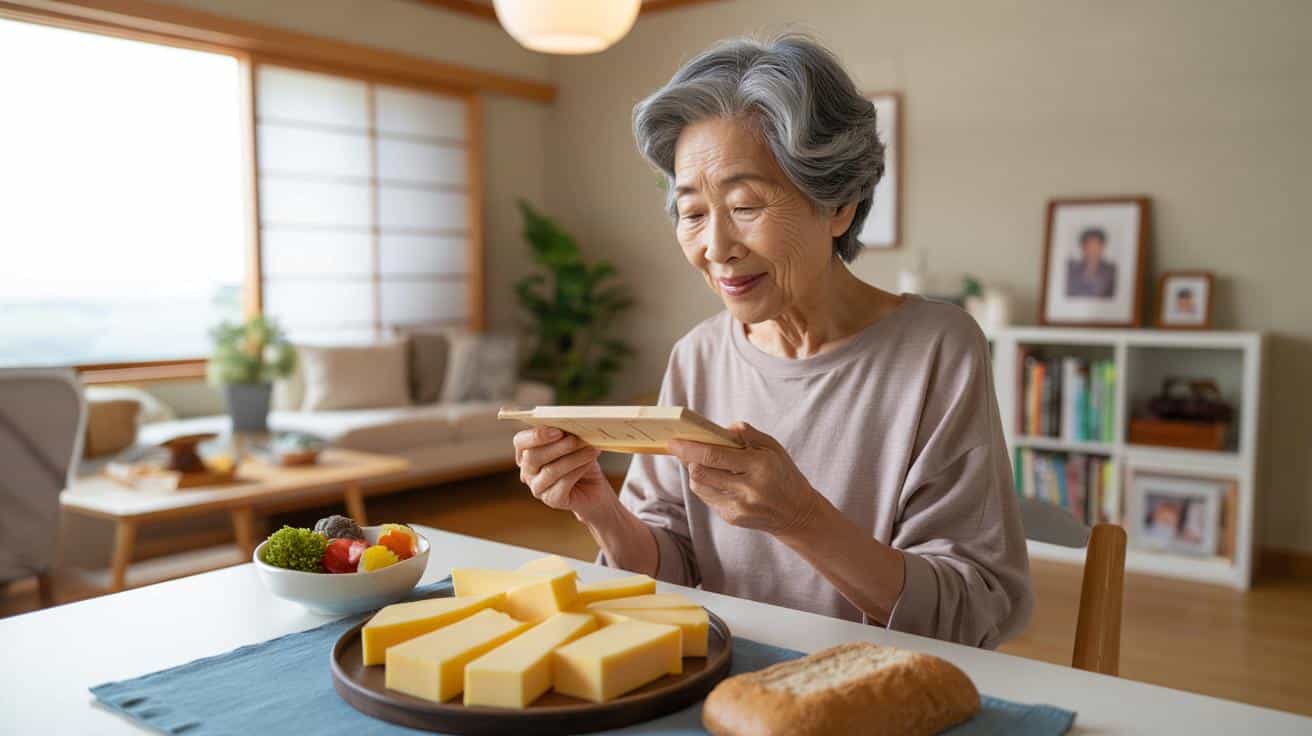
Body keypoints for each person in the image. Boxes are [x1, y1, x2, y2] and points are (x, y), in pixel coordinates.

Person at [512, 35, 1032, 648]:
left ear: (838, 204)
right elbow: (675, 572)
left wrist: (801, 518)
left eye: (746, 204)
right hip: (727, 685)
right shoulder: (698, 355)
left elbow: (969, 613)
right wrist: (600, 509)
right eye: (693, 212)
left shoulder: (937, 351)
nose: (715, 247)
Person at [1065, 227, 1117, 298]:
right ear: (1082, 247)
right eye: (1089, 246)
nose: (1092, 251)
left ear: (1102, 247)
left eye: (1096, 246)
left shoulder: (1111, 271)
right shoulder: (1071, 269)